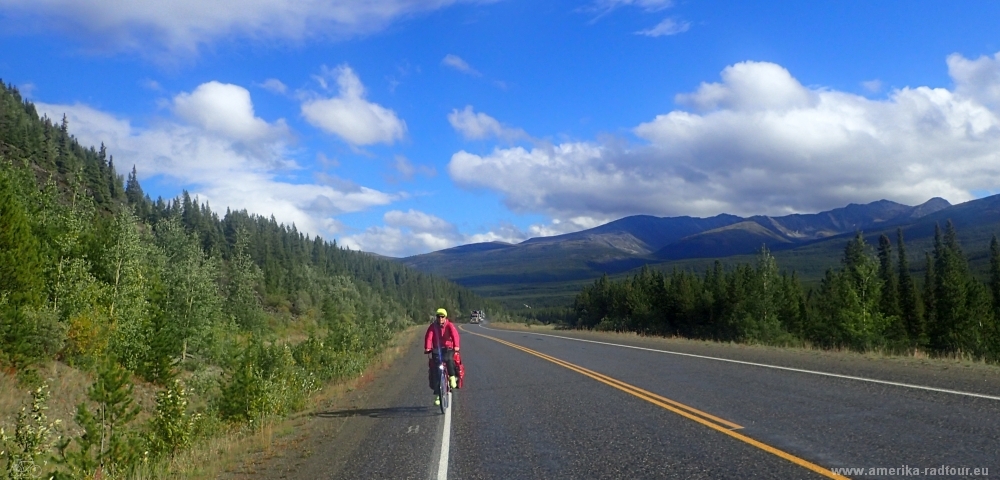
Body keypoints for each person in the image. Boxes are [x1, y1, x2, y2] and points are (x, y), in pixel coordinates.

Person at [425, 307, 461, 406]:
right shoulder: (433, 326)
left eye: (442, 316)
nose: (440, 318)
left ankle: (452, 377)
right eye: (438, 316)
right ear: (436, 317)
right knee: (436, 371)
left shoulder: (449, 325)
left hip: (449, 348)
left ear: (445, 317)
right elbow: (429, 337)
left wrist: (456, 346)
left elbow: (455, 335)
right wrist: (428, 348)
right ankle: (438, 396)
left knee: (449, 359)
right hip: (437, 349)